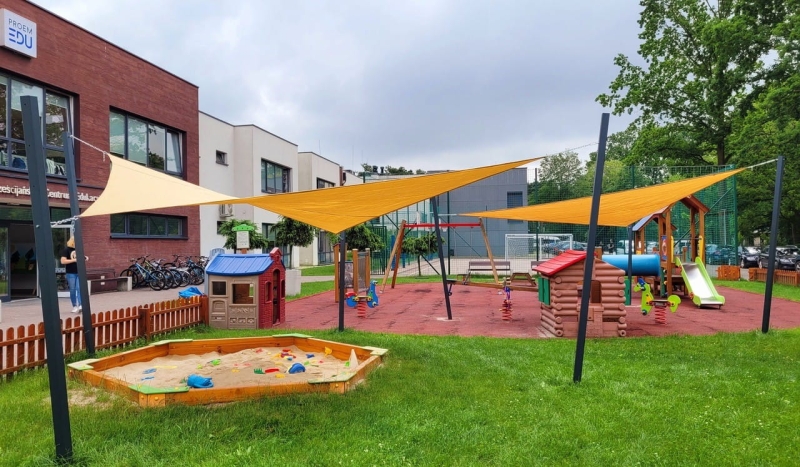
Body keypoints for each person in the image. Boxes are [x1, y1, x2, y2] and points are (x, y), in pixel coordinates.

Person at [60, 237, 88, 313]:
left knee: (79, 289)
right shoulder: (66, 250)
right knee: (72, 290)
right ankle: (74, 306)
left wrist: (85, 258)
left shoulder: (79, 249)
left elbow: (81, 258)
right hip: (71, 273)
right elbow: (63, 261)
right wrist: (74, 260)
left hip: (79, 272)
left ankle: (81, 305)